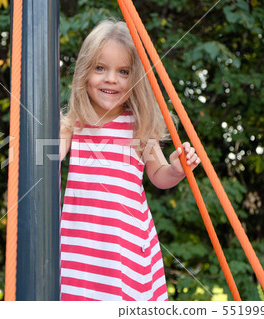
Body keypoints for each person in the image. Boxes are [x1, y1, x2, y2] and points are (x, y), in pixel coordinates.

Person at [59, 20, 200, 301]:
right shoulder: (74, 124)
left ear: (136, 79)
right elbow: (47, 159)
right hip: (82, 243)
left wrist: (176, 169)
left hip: (126, 244)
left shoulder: (138, 125)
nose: (111, 79)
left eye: (123, 72)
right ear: (84, 72)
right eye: (100, 68)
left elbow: (159, 176)